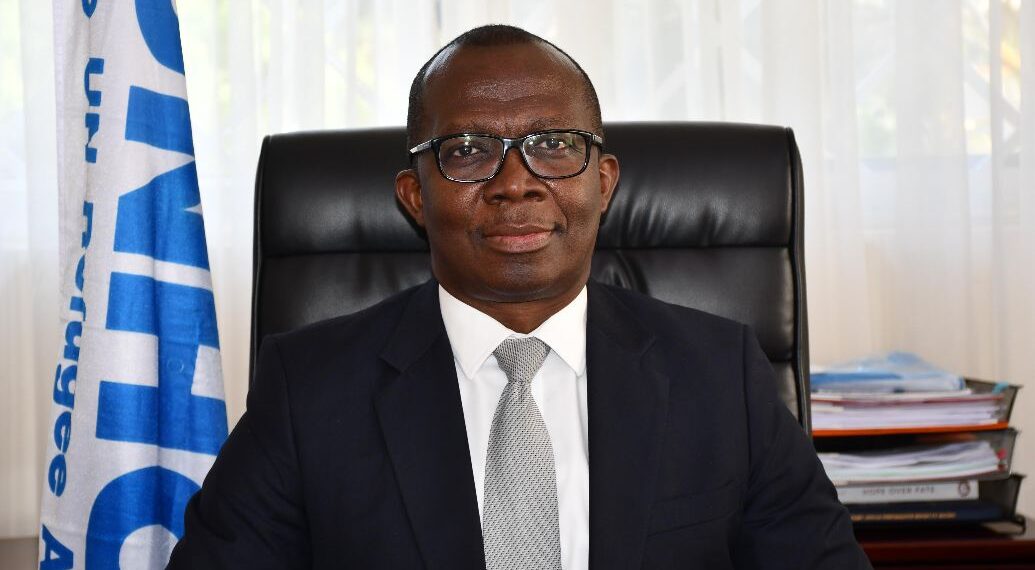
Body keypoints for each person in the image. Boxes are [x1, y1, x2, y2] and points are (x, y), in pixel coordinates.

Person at [168, 25, 870, 570]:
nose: (515, 183)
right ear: (415, 195)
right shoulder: (310, 389)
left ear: (603, 182)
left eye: (554, 145)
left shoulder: (720, 375)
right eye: (469, 150)